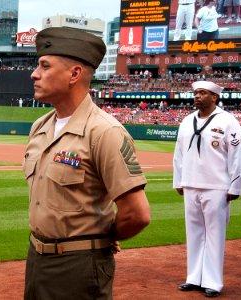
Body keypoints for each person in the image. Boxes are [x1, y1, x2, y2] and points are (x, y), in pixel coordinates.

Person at [23, 27, 151, 300]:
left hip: (79, 266)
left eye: (45, 66)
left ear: (74, 74)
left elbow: (137, 214)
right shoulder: (40, 127)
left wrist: (105, 235)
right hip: (36, 258)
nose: (35, 74)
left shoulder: (104, 132)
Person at [173, 81, 241, 298]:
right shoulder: (187, 121)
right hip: (191, 183)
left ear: (214, 97)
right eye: (196, 93)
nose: (197, 96)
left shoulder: (228, 121)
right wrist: (179, 180)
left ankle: (213, 282)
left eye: (202, 93)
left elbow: (237, 155)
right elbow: (179, 154)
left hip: (217, 186)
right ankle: (194, 278)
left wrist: (235, 185)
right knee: (194, 233)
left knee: (215, 235)